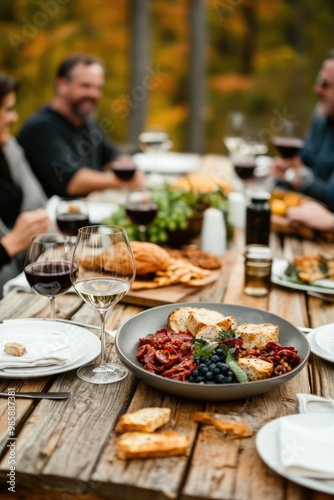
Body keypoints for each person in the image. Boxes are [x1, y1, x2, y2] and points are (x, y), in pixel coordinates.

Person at [17, 54, 145, 198]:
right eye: (86, 86)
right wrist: (124, 182)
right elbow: (72, 181)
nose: (93, 94)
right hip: (57, 216)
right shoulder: (40, 128)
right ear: (62, 85)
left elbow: (113, 154)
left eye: (98, 88)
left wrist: (128, 166)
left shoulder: (85, 123)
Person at [0, 73, 50, 297]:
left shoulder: (8, 148)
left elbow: (37, 204)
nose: (14, 117)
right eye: (8, 110)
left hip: (20, 283)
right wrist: (9, 245)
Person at [271, 49, 334, 212]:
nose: (317, 90)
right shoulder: (322, 115)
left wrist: (299, 178)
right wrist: (285, 172)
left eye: (325, 85)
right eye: (318, 81)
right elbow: (302, 160)